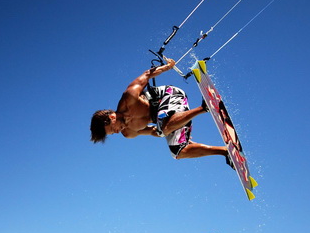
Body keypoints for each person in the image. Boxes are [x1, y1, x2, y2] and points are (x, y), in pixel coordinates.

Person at [90, 57, 233, 167]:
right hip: (167, 118)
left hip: (169, 95)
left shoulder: (129, 98)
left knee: (164, 128)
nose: (116, 132)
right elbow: (153, 132)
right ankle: (225, 152)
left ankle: (204, 107)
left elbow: (146, 75)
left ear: (112, 117)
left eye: (112, 129)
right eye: (112, 134)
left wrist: (168, 66)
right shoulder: (129, 132)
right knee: (178, 153)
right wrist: (178, 133)